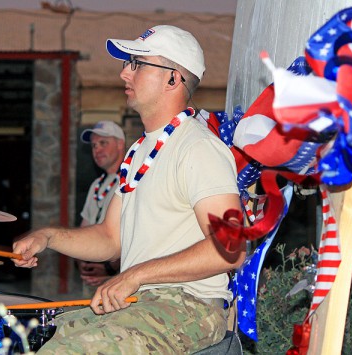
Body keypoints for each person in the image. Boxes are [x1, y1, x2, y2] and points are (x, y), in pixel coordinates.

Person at [13, 25, 246, 354]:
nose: (124, 72)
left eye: (137, 64)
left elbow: (231, 248)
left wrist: (135, 274)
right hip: (139, 303)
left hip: (189, 305)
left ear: (172, 78)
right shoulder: (138, 152)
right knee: (37, 338)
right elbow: (110, 239)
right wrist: (49, 236)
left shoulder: (198, 147)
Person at [77, 121, 125, 297]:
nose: (97, 149)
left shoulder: (132, 182)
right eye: (94, 145)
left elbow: (136, 236)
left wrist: (107, 269)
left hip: (119, 280)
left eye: (103, 143)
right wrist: (83, 264)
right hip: (92, 280)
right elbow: (85, 228)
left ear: (120, 144)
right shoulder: (97, 185)